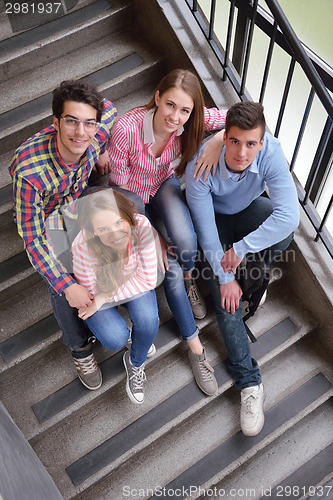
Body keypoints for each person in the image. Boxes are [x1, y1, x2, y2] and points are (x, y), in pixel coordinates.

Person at [8, 80, 144, 392]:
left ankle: (117, 280)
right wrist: (66, 285)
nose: (81, 133)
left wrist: (101, 152)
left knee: (131, 207)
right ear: (55, 122)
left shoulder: (95, 135)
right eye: (71, 121)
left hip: (78, 202)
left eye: (88, 123)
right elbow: (32, 237)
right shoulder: (30, 173)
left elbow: (108, 109)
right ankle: (80, 348)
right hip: (47, 221)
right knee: (63, 286)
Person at [107, 69, 227, 396]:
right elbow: (117, 190)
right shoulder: (127, 130)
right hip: (129, 198)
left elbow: (239, 116)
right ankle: (197, 350)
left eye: (185, 110)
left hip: (163, 186)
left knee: (187, 243)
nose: (176, 116)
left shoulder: (189, 123)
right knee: (167, 267)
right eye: (170, 105)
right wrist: (151, 235)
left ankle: (190, 282)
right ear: (158, 98)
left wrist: (217, 139)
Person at [185, 101, 299, 436]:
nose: (241, 152)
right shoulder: (201, 167)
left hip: (248, 213)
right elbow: (206, 234)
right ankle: (250, 383)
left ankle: (254, 282)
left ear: (262, 143)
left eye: (251, 144)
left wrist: (241, 250)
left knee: (284, 233)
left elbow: (288, 217)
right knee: (226, 300)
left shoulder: (271, 151)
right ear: (225, 137)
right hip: (214, 222)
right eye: (234, 141)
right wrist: (225, 278)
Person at [71, 189, 162, 404]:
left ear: (128, 217)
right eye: (103, 229)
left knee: (148, 320)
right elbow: (92, 292)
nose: (115, 234)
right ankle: (134, 339)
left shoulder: (142, 227)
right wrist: (108, 292)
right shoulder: (82, 247)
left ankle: (136, 362)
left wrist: (105, 297)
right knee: (114, 339)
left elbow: (148, 280)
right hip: (101, 289)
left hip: (113, 290)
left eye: (118, 222)